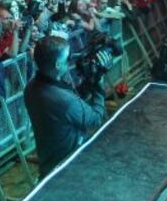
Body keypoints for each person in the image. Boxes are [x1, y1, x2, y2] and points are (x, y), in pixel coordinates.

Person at [23, 34, 106, 177]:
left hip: (48, 164)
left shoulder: (31, 87)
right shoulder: (63, 100)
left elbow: (72, 102)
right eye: (67, 59)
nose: (69, 62)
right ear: (57, 64)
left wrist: (87, 82)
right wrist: (99, 83)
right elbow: (96, 118)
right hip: (69, 168)